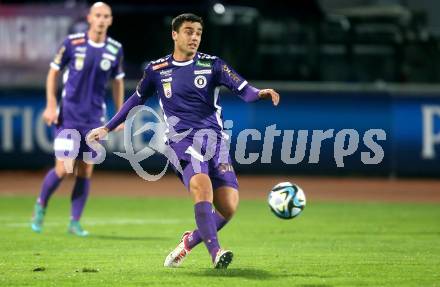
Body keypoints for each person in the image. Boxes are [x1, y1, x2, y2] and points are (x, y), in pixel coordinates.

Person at [87, 13, 279, 268]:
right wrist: (108, 127)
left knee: (228, 208)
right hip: (181, 142)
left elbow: (243, 89)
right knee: (202, 188)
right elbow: (136, 99)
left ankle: (188, 242)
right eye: (189, 31)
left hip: (215, 142)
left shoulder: (213, 65)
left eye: (198, 32)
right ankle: (216, 253)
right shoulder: (157, 70)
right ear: (174, 35)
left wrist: (260, 93)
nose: (195, 37)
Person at [31, 2, 125, 237]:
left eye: (106, 16)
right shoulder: (72, 43)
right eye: (98, 15)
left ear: (111, 20)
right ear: (89, 18)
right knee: (63, 168)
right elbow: (53, 72)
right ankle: (41, 205)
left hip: (95, 120)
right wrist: (51, 105)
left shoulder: (115, 49)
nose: (102, 20)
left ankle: (74, 222)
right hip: (69, 118)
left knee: (85, 171)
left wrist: (119, 114)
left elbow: (118, 81)